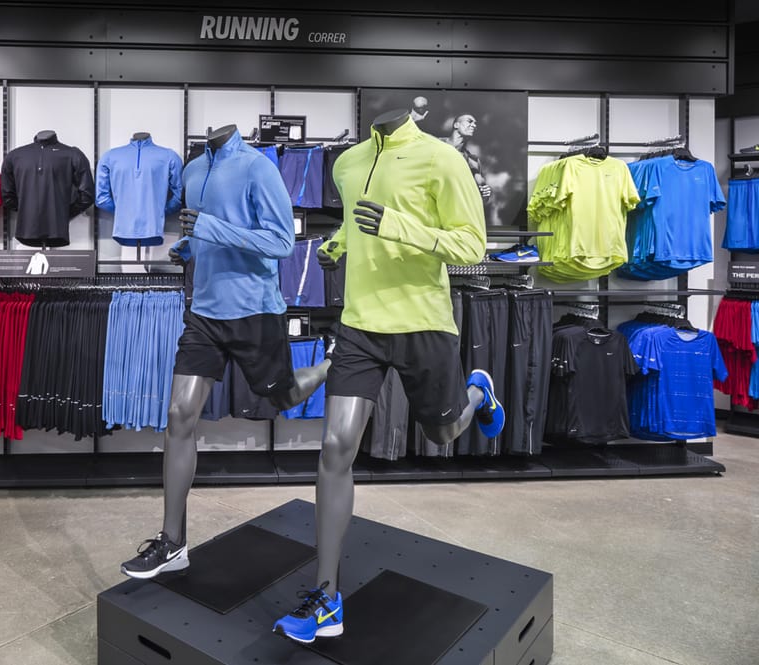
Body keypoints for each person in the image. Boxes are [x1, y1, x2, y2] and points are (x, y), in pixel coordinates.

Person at [272, 109, 506, 644]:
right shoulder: (348, 163)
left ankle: (478, 391)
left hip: (423, 322)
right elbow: (357, 223)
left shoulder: (441, 158)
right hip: (360, 324)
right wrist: (337, 245)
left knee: (442, 433)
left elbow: (472, 245)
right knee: (335, 448)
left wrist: (399, 226)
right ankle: (326, 599)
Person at [120, 124, 331, 579]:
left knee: (284, 397)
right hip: (204, 314)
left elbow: (281, 242)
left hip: (255, 311)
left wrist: (212, 228)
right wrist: (189, 247)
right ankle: (172, 543)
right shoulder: (194, 169)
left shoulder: (258, 167)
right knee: (179, 415)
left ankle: (329, 364)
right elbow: (206, 236)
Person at [442, 114, 491, 200]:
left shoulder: (474, 161)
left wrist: (485, 193)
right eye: (469, 121)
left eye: (475, 123)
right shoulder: (436, 143)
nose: (474, 125)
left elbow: (480, 187)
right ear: (456, 125)